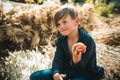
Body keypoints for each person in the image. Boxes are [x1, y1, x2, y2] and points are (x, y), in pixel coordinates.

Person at [30, 4, 104, 80]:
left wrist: (76, 60)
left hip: (85, 73)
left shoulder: (87, 40)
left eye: (64, 22)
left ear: (77, 21)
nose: (61, 26)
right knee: (34, 76)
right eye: (58, 24)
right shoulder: (61, 40)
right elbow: (58, 60)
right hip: (66, 71)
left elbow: (81, 69)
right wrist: (56, 73)